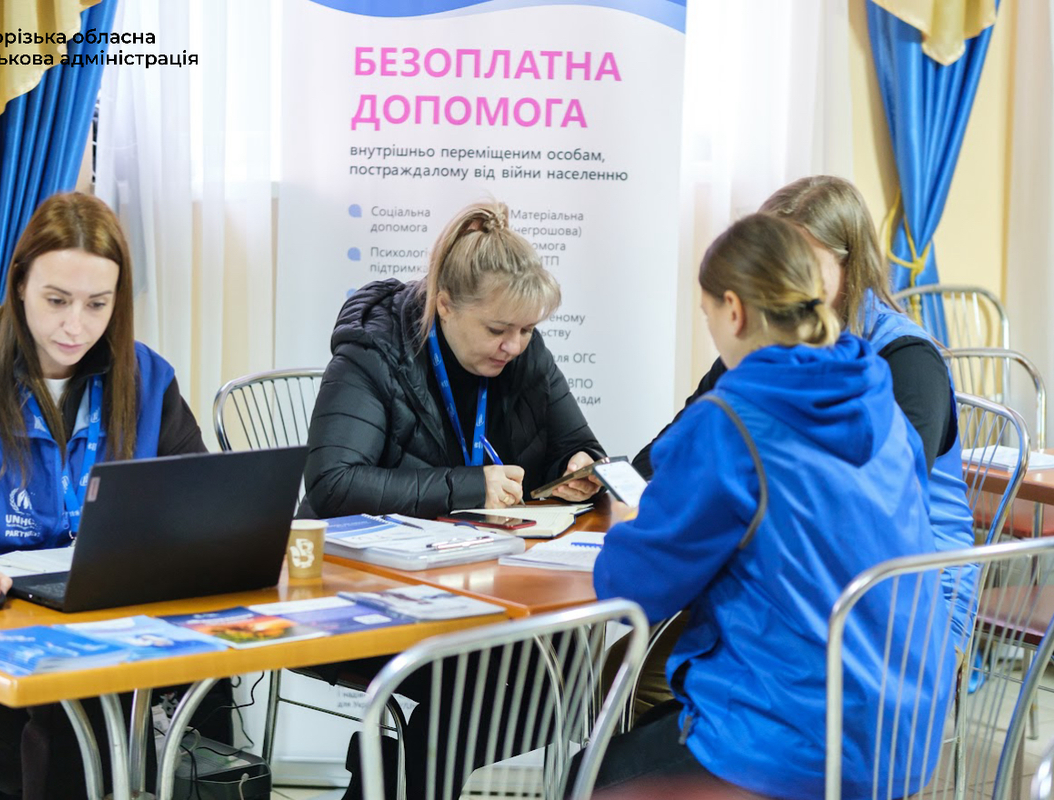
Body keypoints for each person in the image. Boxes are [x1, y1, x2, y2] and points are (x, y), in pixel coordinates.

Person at [593, 213, 952, 798]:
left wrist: (638, 524)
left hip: (793, 744)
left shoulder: (731, 422)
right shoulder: (878, 398)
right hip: (900, 735)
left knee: (589, 776)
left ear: (733, 311)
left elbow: (629, 587)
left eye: (707, 313)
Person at [0, 192, 207, 799]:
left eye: (97, 304)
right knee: (78, 732)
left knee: (153, 708)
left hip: (95, 636)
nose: (76, 325)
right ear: (20, 284)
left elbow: (201, 500)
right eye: (56, 300)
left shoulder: (148, 381)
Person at [303, 199, 605, 517]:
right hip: (355, 546)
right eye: (496, 330)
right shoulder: (375, 350)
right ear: (444, 305)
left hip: (482, 542)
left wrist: (577, 469)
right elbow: (333, 485)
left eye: (527, 329)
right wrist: (471, 488)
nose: (515, 346)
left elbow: (579, 446)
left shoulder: (527, 353)